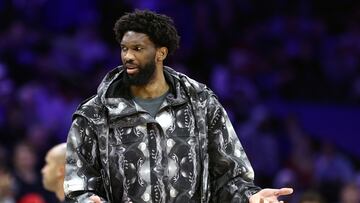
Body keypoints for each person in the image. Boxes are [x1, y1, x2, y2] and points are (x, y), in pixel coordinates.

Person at [64, 9, 293, 203]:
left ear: (161, 53)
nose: (128, 56)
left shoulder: (201, 104)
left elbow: (230, 176)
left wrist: (251, 197)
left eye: (138, 48)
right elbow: (77, 185)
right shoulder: (94, 114)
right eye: (124, 48)